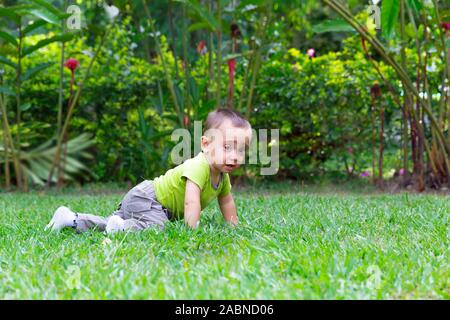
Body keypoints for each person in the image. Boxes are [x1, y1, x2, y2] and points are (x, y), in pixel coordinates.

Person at [45, 108, 253, 233]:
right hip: (147, 199)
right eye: (227, 147)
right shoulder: (199, 166)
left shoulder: (222, 177)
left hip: (146, 202)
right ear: (206, 144)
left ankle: (70, 219)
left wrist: (233, 228)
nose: (234, 155)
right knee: (159, 228)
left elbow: (226, 202)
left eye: (241, 149)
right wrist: (192, 231)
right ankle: (124, 229)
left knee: (111, 224)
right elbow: (191, 201)